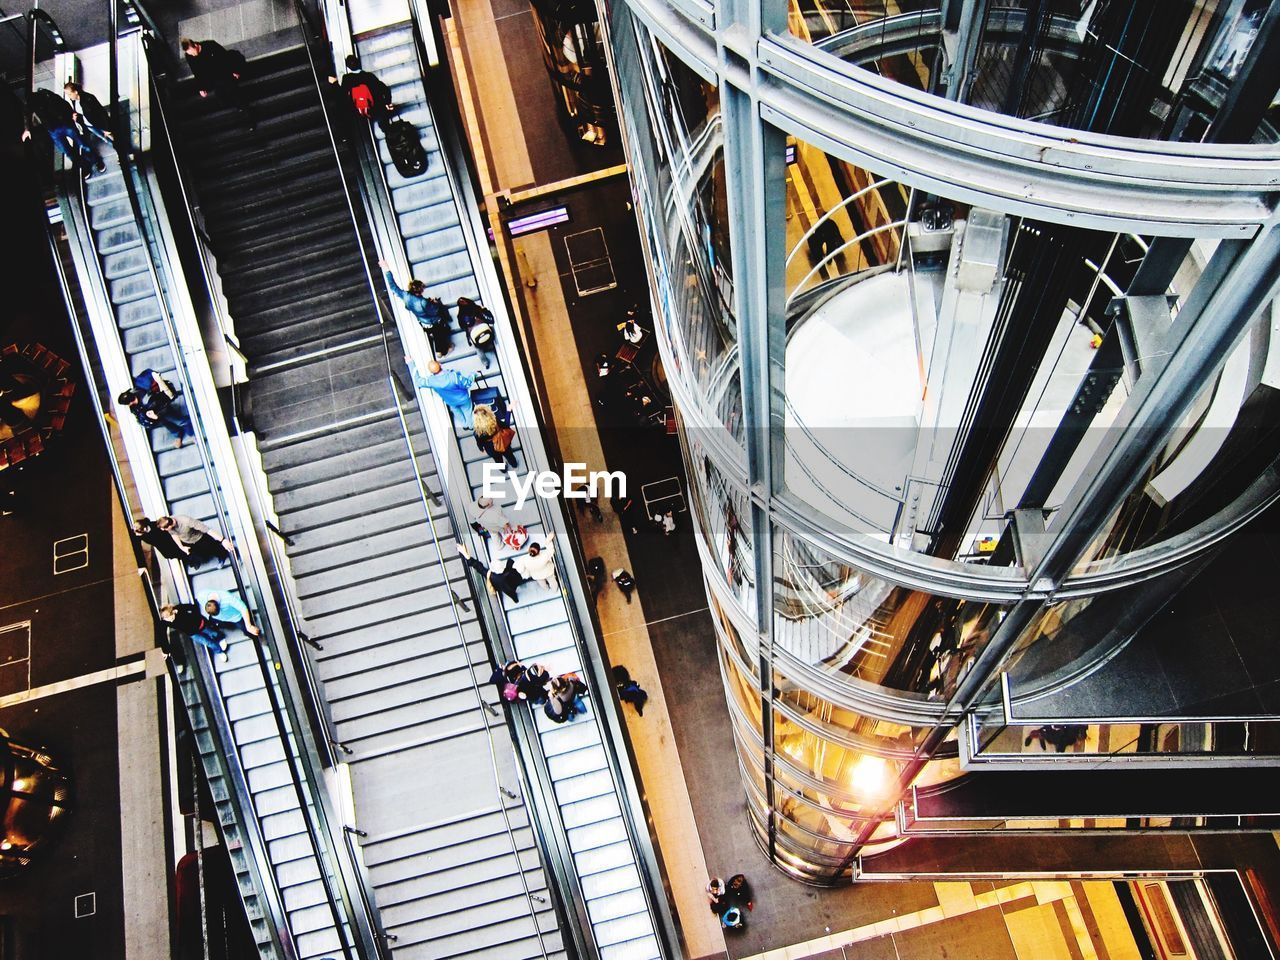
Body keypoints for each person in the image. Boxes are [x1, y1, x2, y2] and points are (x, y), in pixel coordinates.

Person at [22, 87, 102, 174]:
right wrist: (27, 129)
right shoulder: (32, 103)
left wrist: (71, 114)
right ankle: (85, 166)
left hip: (64, 124)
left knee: (82, 144)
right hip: (54, 130)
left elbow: (63, 103)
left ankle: (95, 161)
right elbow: (26, 114)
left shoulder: (46, 96)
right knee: (68, 151)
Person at [383, 262, 454, 355]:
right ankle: (441, 351)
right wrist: (435, 303)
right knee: (440, 335)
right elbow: (434, 311)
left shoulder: (405, 296)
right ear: (420, 291)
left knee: (435, 335)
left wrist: (387, 271)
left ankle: (439, 347)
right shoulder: (423, 302)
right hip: (433, 322)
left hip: (423, 322)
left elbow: (393, 287)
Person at [181, 38, 253, 125]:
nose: (192, 55)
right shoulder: (189, 56)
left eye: (192, 52)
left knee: (233, 92)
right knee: (222, 97)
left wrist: (234, 71)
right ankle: (237, 104)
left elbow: (225, 57)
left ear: (195, 45)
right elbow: (196, 71)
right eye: (189, 53)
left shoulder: (210, 45)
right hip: (212, 78)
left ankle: (248, 116)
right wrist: (201, 87)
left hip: (224, 73)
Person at [407, 356, 476, 428]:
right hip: (463, 399)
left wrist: (410, 363)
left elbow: (418, 382)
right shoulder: (453, 376)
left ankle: (464, 425)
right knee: (468, 412)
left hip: (451, 402)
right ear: (440, 365)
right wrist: (473, 375)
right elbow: (467, 384)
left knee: (457, 414)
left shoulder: (431, 381)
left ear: (431, 372)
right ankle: (471, 426)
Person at [327, 54, 395, 128]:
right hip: (376, 108)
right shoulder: (369, 76)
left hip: (357, 113)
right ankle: (386, 129)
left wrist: (334, 83)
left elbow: (341, 95)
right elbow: (385, 89)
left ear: (348, 67)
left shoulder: (347, 78)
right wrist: (387, 102)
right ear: (359, 63)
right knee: (383, 116)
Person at [118, 384, 193, 448]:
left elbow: (164, 406)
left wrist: (156, 416)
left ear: (130, 402)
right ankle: (178, 434)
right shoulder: (135, 402)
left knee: (179, 421)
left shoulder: (148, 400)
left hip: (164, 410)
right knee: (167, 425)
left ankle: (192, 434)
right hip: (156, 417)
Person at [160, 602, 230, 661]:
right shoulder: (166, 622)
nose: (170, 620)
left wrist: (196, 618)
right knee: (207, 642)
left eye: (170, 617)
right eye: (167, 619)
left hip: (199, 624)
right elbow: (162, 635)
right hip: (192, 632)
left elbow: (192, 607)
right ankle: (219, 651)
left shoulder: (179, 608)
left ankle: (220, 638)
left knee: (212, 633)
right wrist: (165, 651)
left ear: (173, 612)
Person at [457, 542, 525, 602]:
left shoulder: (492, 575)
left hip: (508, 581)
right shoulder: (498, 577)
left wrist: (466, 555)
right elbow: (509, 591)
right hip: (512, 580)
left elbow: (478, 566)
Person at [156, 514, 232, 565]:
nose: (163, 530)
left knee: (214, 548)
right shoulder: (170, 527)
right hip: (189, 542)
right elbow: (174, 535)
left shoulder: (186, 521)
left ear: (169, 525)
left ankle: (223, 555)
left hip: (200, 538)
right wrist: (181, 547)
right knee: (202, 553)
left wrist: (223, 540)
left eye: (164, 528)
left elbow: (207, 529)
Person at [63, 81, 113, 146]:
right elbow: (82, 112)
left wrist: (107, 128)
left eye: (69, 94)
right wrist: (76, 116)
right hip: (90, 125)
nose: (69, 97)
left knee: (112, 137)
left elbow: (102, 113)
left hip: (100, 124)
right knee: (105, 139)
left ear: (76, 92)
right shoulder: (74, 101)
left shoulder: (89, 98)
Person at [472, 404, 518, 471]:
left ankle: (503, 469)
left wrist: (481, 449)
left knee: (498, 460)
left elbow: (479, 443)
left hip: (491, 450)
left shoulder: (477, 432)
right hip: (502, 442)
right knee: (509, 455)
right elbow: (506, 425)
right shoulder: (495, 421)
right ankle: (514, 464)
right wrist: (508, 411)